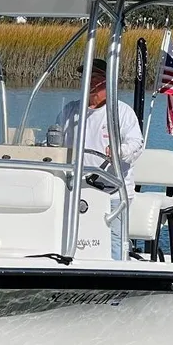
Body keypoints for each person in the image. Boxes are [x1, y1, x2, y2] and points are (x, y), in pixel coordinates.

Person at [55, 58, 144, 260]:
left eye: (94, 78)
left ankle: (117, 275)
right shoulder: (70, 111)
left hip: (111, 191)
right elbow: (55, 140)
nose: (89, 83)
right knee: (71, 237)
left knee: (113, 242)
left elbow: (136, 145)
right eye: (86, 78)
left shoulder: (121, 112)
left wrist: (119, 150)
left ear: (107, 82)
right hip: (75, 189)